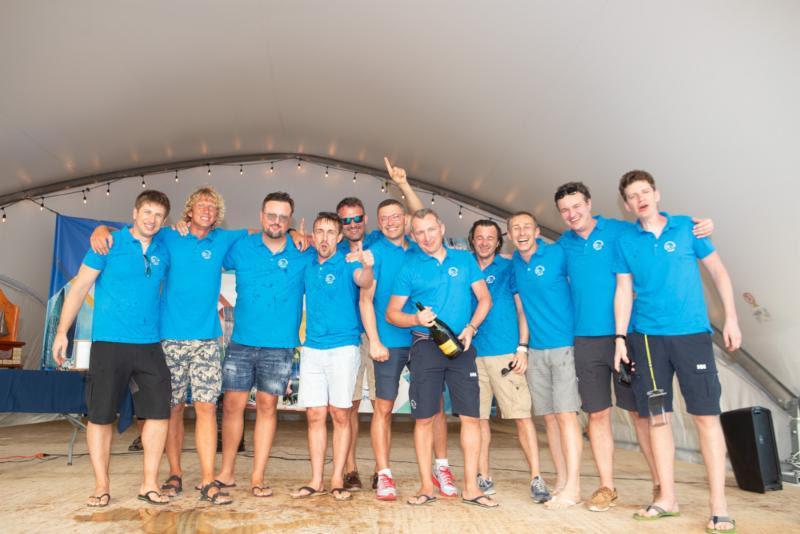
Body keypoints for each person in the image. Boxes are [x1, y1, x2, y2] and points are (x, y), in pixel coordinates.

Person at [554, 181, 715, 512]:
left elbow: (654, 230)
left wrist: (701, 226)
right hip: (586, 339)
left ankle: (661, 485)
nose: (572, 214)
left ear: (589, 203)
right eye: (565, 210)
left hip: (628, 336)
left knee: (643, 413)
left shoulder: (620, 232)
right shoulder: (562, 246)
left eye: (576, 206)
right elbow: (531, 265)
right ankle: (607, 487)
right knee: (597, 414)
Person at [90, 187, 248, 504]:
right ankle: (174, 474)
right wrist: (101, 229)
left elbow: (259, 233)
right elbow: (132, 232)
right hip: (168, 338)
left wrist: (297, 233)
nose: (207, 209)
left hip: (206, 339)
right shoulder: (167, 236)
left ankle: (207, 481)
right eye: (201, 204)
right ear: (188, 210)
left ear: (218, 214)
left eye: (212, 206)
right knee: (170, 409)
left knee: (206, 407)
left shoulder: (223, 240)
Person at [612, 170, 741, 533]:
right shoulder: (626, 242)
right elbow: (623, 290)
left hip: (691, 336)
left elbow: (719, 273)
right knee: (658, 418)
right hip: (648, 340)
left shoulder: (688, 228)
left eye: (645, 191)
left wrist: (731, 319)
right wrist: (620, 338)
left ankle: (719, 505)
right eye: (633, 195)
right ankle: (667, 497)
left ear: (657, 193)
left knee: (705, 416)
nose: (640, 199)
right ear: (626, 205)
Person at [53, 190, 173, 507]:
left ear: (165, 220)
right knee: (101, 416)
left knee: (160, 413)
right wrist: (61, 332)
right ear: (134, 213)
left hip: (149, 345)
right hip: (109, 344)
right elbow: (79, 286)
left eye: (159, 215)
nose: (152, 219)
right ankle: (101, 486)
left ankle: (149, 483)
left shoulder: (165, 248)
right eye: (147, 212)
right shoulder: (108, 242)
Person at [387, 208, 496, 508]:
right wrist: (416, 319)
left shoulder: (463, 260)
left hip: (461, 349)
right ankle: (426, 487)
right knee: (424, 419)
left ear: (441, 227)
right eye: (419, 233)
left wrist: (472, 327)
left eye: (430, 230)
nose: (426, 237)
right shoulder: (409, 268)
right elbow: (392, 313)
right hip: (424, 348)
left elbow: (485, 298)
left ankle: (471, 488)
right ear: (413, 236)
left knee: (471, 419)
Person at [215, 191, 314, 498]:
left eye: (283, 217)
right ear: (261, 216)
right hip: (242, 342)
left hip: (279, 345)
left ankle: (257, 477)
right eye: (271, 215)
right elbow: (206, 247)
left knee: (267, 408)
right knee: (232, 407)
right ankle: (227, 473)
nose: (276, 221)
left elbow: (332, 248)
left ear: (290, 220)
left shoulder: (303, 251)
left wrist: (302, 234)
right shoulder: (242, 246)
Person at [291, 212, 374, 502]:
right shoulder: (307, 264)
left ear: (339, 237)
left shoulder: (348, 262)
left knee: (340, 414)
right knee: (315, 415)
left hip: (343, 348)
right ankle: (316, 480)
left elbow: (364, 281)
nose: (324, 237)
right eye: (319, 232)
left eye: (330, 232)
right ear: (313, 236)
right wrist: (292, 231)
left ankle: (337, 478)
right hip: (312, 347)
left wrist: (367, 265)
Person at [467, 219, 550, 503]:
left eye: (490, 237)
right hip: (472, 356)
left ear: (498, 241)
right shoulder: (464, 267)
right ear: (472, 240)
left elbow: (521, 308)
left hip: (505, 354)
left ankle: (537, 478)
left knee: (522, 417)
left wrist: (522, 347)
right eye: (479, 237)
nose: (485, 242)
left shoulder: (508, 267)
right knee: (478, 420)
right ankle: (483, 475)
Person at [507, 211, 583, 510]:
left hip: (564, 345)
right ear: (510, 235)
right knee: (549, 418)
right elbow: (521, 310)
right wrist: (523, 346)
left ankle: (574, 488)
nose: (521, 232)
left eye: (527, 227)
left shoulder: (558, 253)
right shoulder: (514, 264)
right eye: (515, 228)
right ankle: (562, 481)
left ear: (538, 231)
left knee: (567, 416)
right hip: (536, 351)